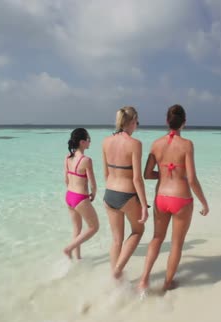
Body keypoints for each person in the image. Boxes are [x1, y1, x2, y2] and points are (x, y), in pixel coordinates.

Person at [137, 104, 209, 292]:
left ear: (167, 121)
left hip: (161, 197)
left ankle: (144, 280)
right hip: (181, 199)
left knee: (156, 239)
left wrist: (162, 175)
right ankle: (167, 284)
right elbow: (192, 179)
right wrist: (204, 202)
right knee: (177, 244)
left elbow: (146, 174)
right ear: (184, 123)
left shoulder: (156, 144)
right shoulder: (187, 145)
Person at [102, 106, 149, 279]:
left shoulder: (106, 141)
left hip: (109, 194)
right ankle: (117, 271)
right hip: (127, 195)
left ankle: (116, 282)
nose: (137, 125)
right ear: (131, 121)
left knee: (116, 240)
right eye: (137, 121)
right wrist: (144, 205)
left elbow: (106, 174)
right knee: (138, 231)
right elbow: (137, 179)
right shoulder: (135, 144)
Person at [63, 128, 100, 260]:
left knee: (77, 230)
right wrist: (93, 193)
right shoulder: (86, 160)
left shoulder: (67, 158)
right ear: (82, 142)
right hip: (80, 197)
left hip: (69, 196)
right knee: (94, 227)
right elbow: (93, 183)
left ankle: (77, 259)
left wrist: (72, 192)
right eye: (89, 139)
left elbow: (66, 180)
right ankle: (68, 249)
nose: (90, 142)